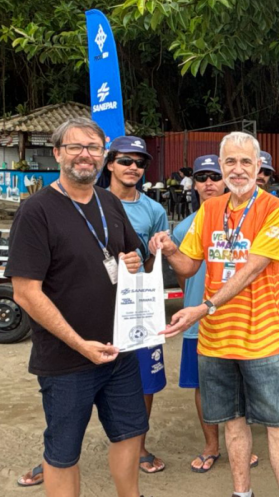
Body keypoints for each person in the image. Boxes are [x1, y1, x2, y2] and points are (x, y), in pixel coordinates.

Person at [150, 131, 279, 497]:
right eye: (230, 161)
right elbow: (187, 267)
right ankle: (241, 492)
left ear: (259, 165)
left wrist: (205, 306)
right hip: (215, 341)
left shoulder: (276, 210)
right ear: (220, 166)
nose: (238, 169)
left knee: (278, 425)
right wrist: (169, 248)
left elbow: (252, 267)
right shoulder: (209, 210)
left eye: (246, 161)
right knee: (232, 424)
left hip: (262, 340)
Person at [8, 118, 146, 497]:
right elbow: (26, 292)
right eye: (75, 147)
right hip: (66, 359)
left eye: (93, 148)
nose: (85, 155)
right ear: (57, 153)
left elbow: (131, 255)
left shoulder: (110, 202)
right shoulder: (36, 211)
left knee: (130, 432)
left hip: (119, 351)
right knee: (64, 451)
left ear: (103, 156)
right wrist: (81, 343)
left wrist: (133, 261)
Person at [171, 154, 259, 474]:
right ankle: (211, 445)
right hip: (199, 324)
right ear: (193, 184)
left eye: (214, 177)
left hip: (238, 320)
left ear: (226, 179)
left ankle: (240, 444)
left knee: (241, 385)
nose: (209, 183)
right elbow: (185, 276)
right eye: (202, 177)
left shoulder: (250, 221)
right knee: (202, 386)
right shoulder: (183, 228)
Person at [104, 136, 170, 475]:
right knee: (78, 380)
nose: (133, 167)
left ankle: (140, 446)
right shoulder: (91, 202)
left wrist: (153, 252)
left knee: (144, 381)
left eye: (139, 162)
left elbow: (152, 266)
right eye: (126, 160)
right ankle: (57, 453)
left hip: (138, 307)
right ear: (110, 163)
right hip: (96, 306)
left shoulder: (154, 210)